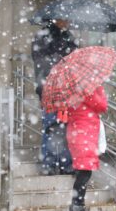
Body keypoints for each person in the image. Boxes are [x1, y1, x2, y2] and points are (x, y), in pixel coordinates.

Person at [31, 19, 78, 175]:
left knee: (65, 127)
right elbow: (41, 63)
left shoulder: (67, 37)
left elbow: (74, 58)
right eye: (64, 19)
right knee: (51, 126)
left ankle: (65, 164)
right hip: (49, 89)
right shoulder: (43, 36)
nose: (67, 22)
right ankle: (48, 164)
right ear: (56, 19)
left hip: (65, 89)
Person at [66, 85, 108, 211]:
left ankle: (78, 203)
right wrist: (99, 90)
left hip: (77, 133)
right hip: (84, 134)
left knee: (83, 171)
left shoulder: (72, 89)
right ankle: (77, 204)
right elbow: (102, 106)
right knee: (85, 171)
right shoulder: (87, 88)